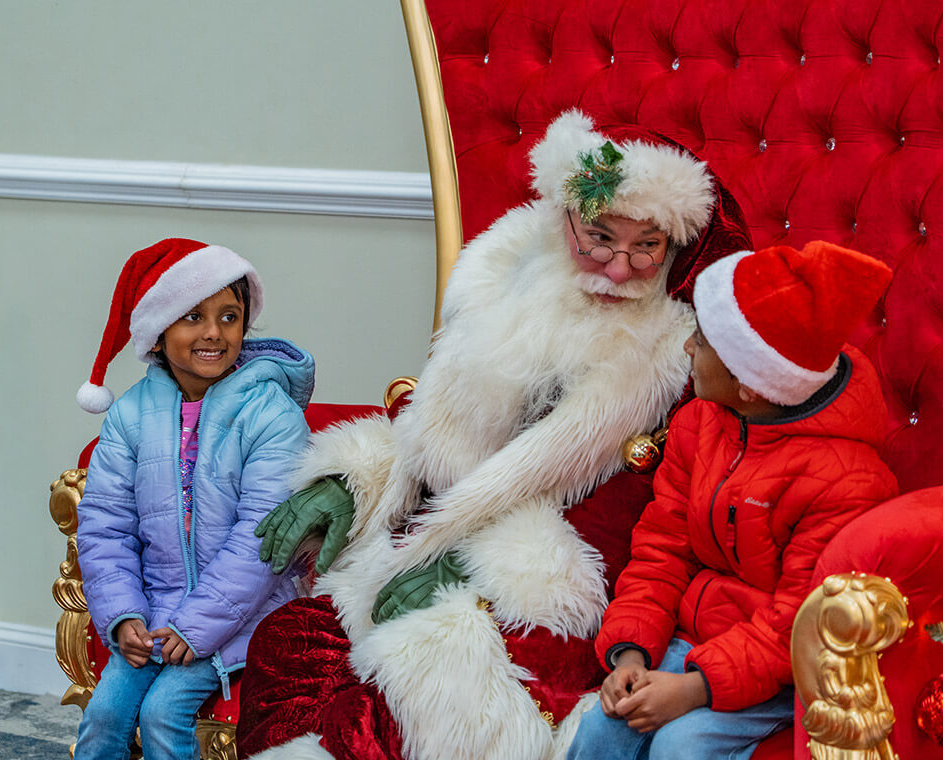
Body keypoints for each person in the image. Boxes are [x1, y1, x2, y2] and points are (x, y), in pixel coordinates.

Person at [236, 110, 751, 760]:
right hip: (431, 539)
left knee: (428, 676)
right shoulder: (503, 281)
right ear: (565, 220)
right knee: (291, 642)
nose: (619, 270)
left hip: (567, 580)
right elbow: (437, 426)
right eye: (599, 239)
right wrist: (353, 481)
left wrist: (476, 566)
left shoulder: (683, 355)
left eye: (646, 247)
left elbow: (645, 513)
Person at [567, 240, 900, 760]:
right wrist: (631, 655)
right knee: (601, 730)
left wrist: (694, 689)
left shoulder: (848, 482)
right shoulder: (698, 423)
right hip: (689, 639)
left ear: (749, 384)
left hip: (782, 669)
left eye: (701, 340)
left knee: (681, 748)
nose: (687, 348)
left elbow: (797, 624)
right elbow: (662, 548)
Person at [72, 238, 314, 760]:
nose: (213, 332)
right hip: (154, 610)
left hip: (245, 613)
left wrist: (196, 626)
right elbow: (105, 528)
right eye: (192, 316)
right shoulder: (131, 415)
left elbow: (262, 537)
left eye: (229, 316)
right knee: (105, 715)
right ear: (158, 333)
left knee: (164, 712)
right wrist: (124, 616)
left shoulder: (272, 415)